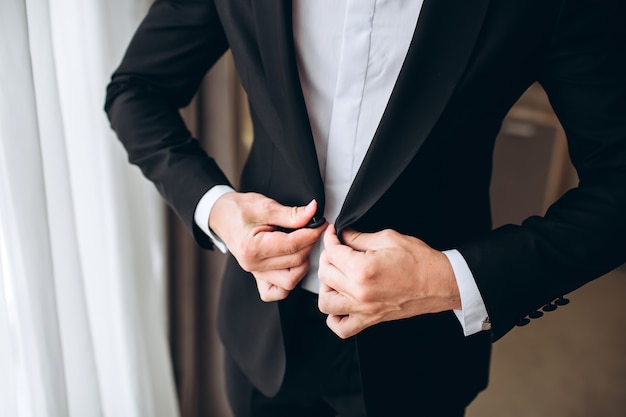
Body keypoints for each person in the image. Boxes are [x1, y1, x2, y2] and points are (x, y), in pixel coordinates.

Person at [105, 0, 626, 415]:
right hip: (261, 335)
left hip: (423, 352)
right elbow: (136, 89)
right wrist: (217, 210)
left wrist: (448, 280)